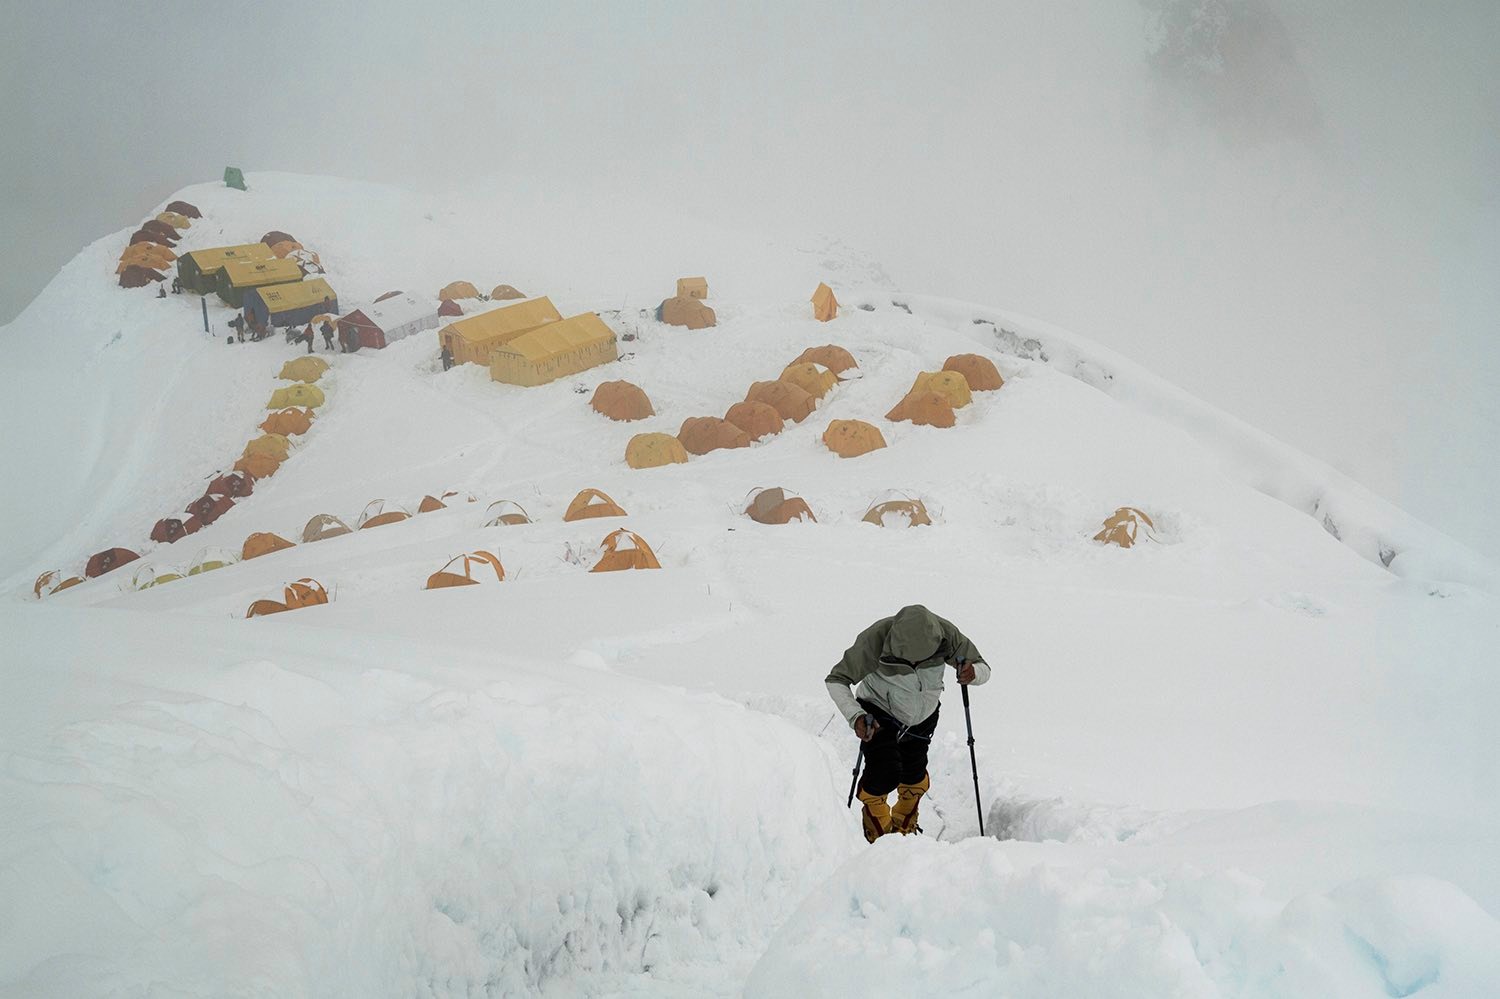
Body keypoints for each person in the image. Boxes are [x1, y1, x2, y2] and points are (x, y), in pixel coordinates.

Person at [826, 605, 990, 842]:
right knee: (884, 772)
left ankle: (904, 823)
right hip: (878, 712)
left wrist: (973, 672)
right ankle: (879, 832)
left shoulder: (946, 634)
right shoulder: (875, 639)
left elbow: (984, 667)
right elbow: (836, 679)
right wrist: (857, 716)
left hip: (924, 716)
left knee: (914, 775)